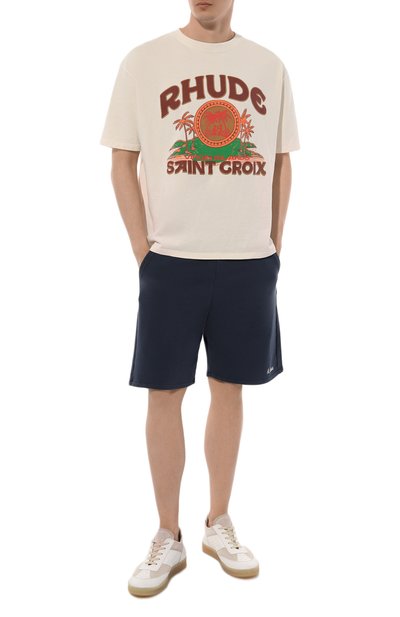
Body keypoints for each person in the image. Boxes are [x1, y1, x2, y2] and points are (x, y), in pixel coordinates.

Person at [99, 0, 300, 598]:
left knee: (230, 388)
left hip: (248, 261)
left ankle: (218, 523)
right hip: (171, 262)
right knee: (164, 392)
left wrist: (272, 246)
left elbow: (280, 163)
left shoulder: (268, 66)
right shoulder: (144, 62)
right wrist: (144, 253)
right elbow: (122, 163)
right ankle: (168, 535)